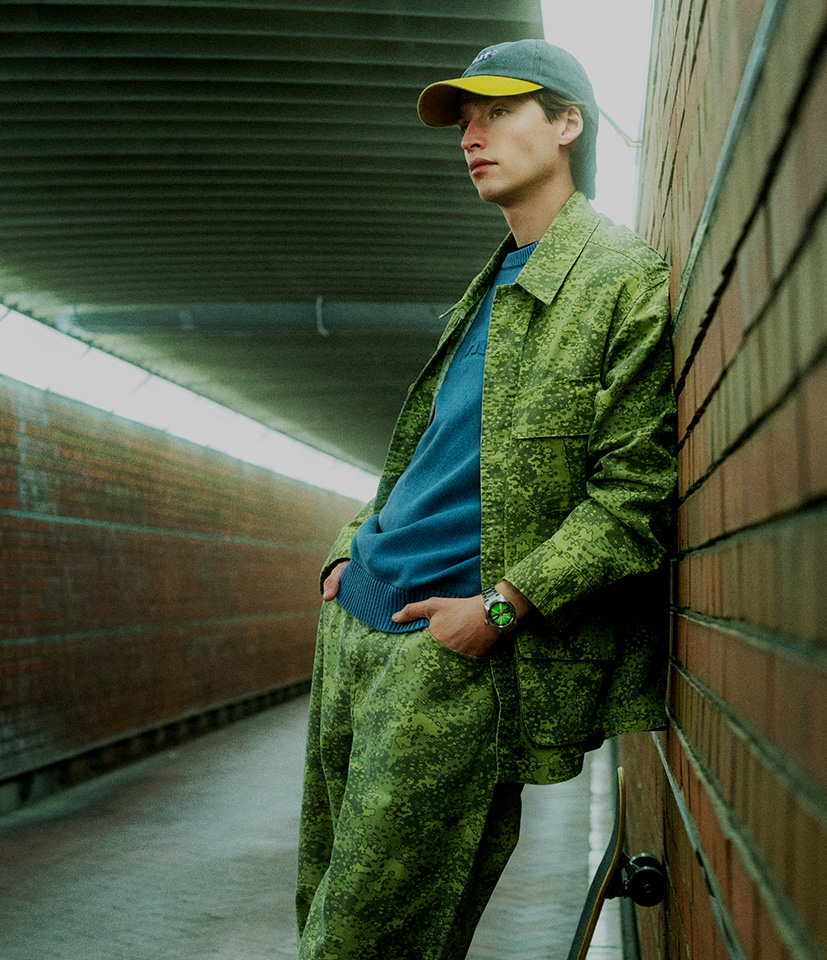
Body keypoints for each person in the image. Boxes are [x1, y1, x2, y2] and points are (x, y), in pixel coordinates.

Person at [294, 39, 676, 960]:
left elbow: (631, 498)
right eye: (466, 122)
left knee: (368, 942)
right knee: (320, 908)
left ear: (568, 123)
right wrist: (348, 551)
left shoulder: (619, 280)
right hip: (354, 627)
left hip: (446, 657)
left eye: (499, 113)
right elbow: (425, 458)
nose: (472, 137)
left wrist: (499, 610)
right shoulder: (490, 283)